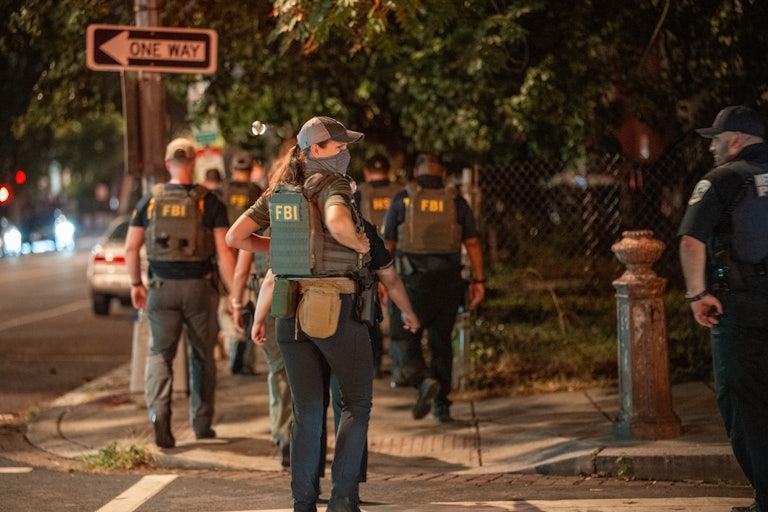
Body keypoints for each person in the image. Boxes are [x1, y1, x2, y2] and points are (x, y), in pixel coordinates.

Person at [226, 116, 414, 512]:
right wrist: (356, 242)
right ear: (315, 150)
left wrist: (279, 247)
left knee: (307, 412)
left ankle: (303, 502)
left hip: (288, 312)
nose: (345, 153)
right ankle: (343, 499)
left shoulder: (279, 192)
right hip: (333, 309)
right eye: (338, 146)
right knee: (355, 404)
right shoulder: (333, 185)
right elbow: (336, 220)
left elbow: (235, 237)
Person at [678, 105, 768, 512]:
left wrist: (697, 294)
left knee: (744, 403)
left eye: (715, 139)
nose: (711, 147)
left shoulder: (723, 180)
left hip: (742, 310)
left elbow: (691, 241)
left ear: (734, 139)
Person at [125, 137, 236, 448]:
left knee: (160, 353)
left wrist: (136, 284)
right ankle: (201, 424)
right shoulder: (209, 201)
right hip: (200, 290)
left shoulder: (149, 201)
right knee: (202, 356)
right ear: (194, 161)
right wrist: (235, 294)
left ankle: (159, 414)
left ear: (167, 163)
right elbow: (224, 252)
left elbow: (131, 247)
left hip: (161, 289)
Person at [383, 151, 485, 423]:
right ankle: (442, 406)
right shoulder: (456, 200)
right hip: (450, 283)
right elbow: (472, 243)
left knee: (403, 339)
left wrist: (383, 281)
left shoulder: (403, 199)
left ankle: (423, 380)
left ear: (417, 172)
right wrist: (478, 280)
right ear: (442, 172)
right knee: (442, 343)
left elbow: (388, 244)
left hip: (412, 284)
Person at [230, 248, 293, 467]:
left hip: (268, 301)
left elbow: (241, 271)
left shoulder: (257, 227)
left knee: (278, 368)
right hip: (307, 297)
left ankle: (283, 435)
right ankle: (305, 435)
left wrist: (236, 304)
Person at [353, 154, 404, 378]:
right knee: (399, 311)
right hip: (399, 259)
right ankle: (400, 367)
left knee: (370, 312)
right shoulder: (401, 193)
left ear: (366, 172)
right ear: (389, 171)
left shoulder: (359, 193)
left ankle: (373, 364)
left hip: (368, 258)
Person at [220, 150, 264, 374]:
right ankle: (246, 359)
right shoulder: (256, 191)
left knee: (225, 307)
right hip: (250, 254)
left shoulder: (223, 191)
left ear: (232, 169)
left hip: (226, 256)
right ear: (251, 168)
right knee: (251, 308)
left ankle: (233, 338)